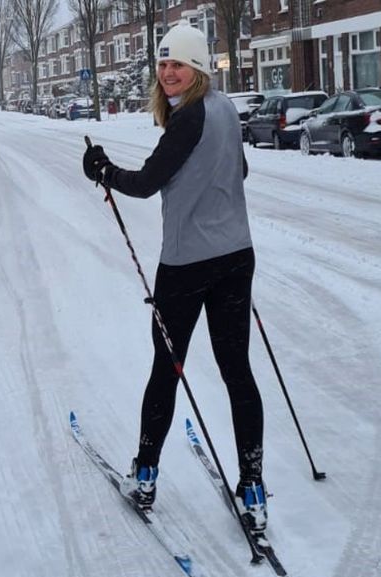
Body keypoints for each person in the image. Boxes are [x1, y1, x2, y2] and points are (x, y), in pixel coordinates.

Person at [82, 24, 267, 533]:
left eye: (177, 64)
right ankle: (252, 488)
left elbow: (144, 183)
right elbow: (240, 172)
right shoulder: (227, 108)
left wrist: (102, 171)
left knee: (167, 369)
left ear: (198, 69)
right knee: (237, 371)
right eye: (162, 65)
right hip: (236, 256)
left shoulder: (189, 118)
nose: (167, 72)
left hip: (187, 265)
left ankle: (144, 477)